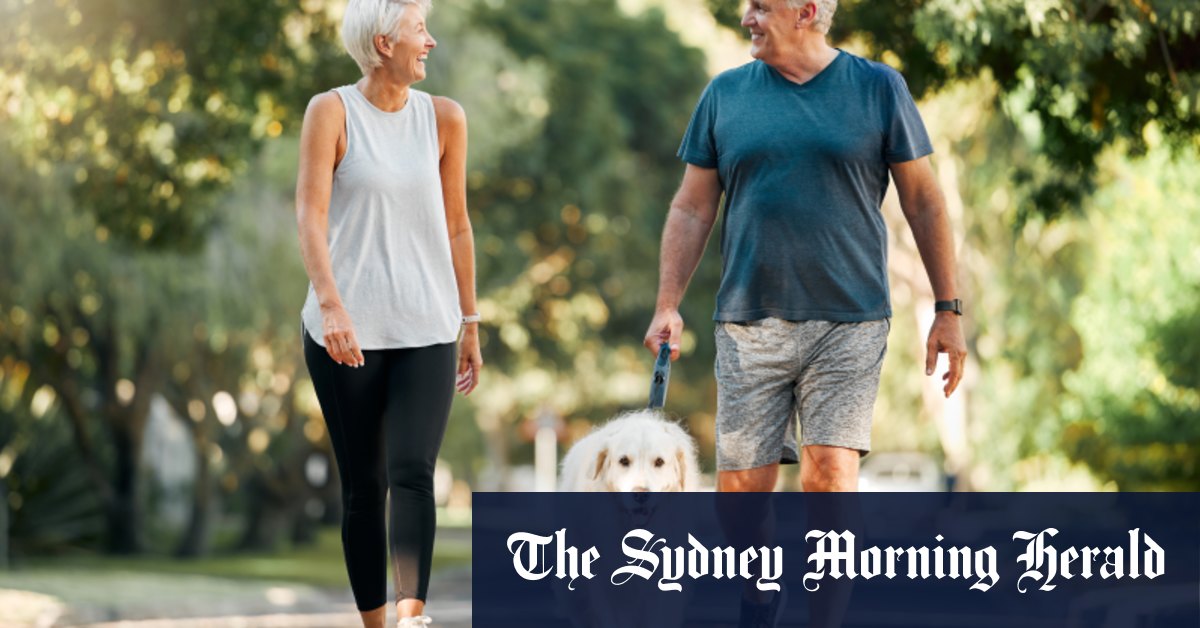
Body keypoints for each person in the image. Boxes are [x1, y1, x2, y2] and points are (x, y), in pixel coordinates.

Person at [294, 0, 481, 626]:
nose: (430, 41)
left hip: (427, 326)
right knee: (364, 485)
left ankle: (411, 619)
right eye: (419, 29)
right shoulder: (331, 111)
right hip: (344, 332)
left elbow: (458, 226)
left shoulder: (445, 118)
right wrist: (331, 305)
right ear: (382, 43)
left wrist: (470, 322)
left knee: (413, 473)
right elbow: (310, 215)